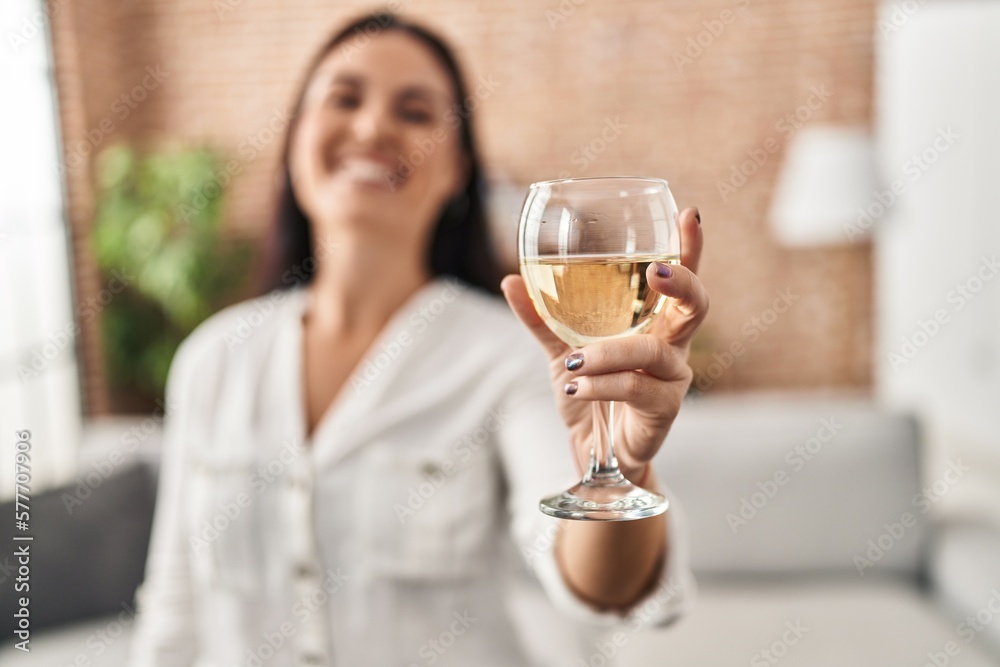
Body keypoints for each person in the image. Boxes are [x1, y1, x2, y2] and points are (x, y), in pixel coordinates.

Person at [128, 11, 709, 667]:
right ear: (293, 139)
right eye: (344, 98)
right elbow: (174, 616)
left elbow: (601, 591)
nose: (373, 127)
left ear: (460, 167)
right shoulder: (213, 359)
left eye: (415, 111)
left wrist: (622, 469)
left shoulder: (513, 355)